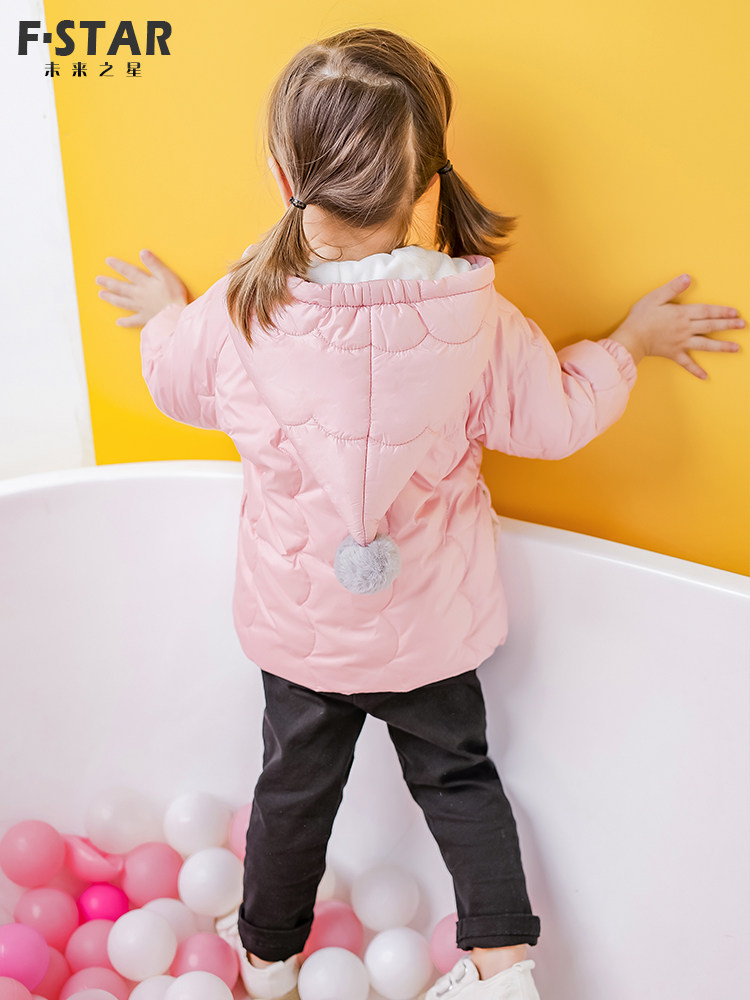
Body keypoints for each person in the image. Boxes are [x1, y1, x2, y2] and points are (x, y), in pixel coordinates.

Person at [95, 26, 744, 1000]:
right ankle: (504, 966)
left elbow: (173, 381)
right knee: (460, 781)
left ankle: (268, 960)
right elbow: (557, 419)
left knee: (291, 794)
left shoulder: (234, 313)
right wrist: (629, 344)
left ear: (283, 177)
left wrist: (161, 312)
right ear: (427, 185)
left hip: (304, 635)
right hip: (432, 629)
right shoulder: (474, 320)